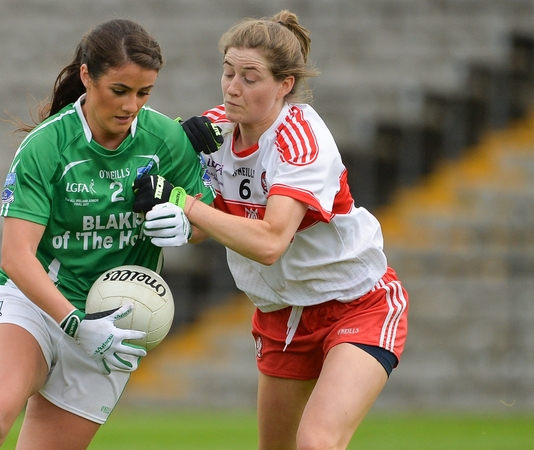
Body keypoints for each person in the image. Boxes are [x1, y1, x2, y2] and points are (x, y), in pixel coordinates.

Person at [133, 10, 408, 450]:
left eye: (250, 78)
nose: (232, 87)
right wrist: (179, 220)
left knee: (316, 442)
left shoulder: (300, 140)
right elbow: (210, 222)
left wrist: (183, 202)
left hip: (357, 303)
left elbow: (269, 243)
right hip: (280, 312)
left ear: (285, 85)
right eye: (228, 72)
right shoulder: (212, 130)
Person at [0, 18, 214, 450]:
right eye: (119, 90)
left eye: (144, 93)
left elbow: (206, 219)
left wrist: (187, 224)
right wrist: (74, 321)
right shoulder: (47, 145)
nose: (131, 106)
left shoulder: (166, 139)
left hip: (115, 325)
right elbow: (16, 257)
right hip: (38, 304)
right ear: (87, 76)